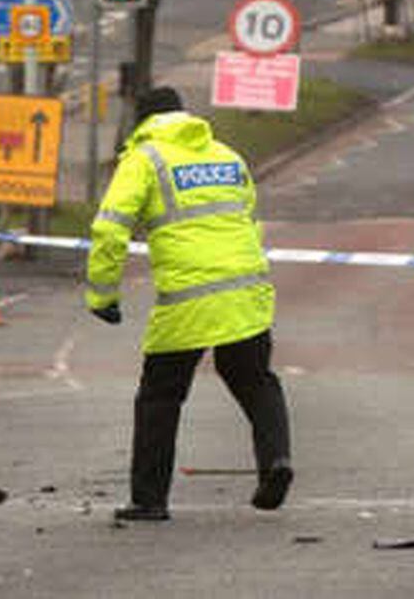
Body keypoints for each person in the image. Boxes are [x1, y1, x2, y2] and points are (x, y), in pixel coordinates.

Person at [85, 86, 292, 522]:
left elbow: (109, 229)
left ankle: (149, 499)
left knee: (159, 397)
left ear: (141, 122)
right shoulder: (226, 155)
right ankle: (276, 461)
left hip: (188, 299)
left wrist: (102, 295)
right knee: (256, 381)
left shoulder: (144, 159)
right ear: (183, 115)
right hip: (246, 290)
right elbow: (250, 220)